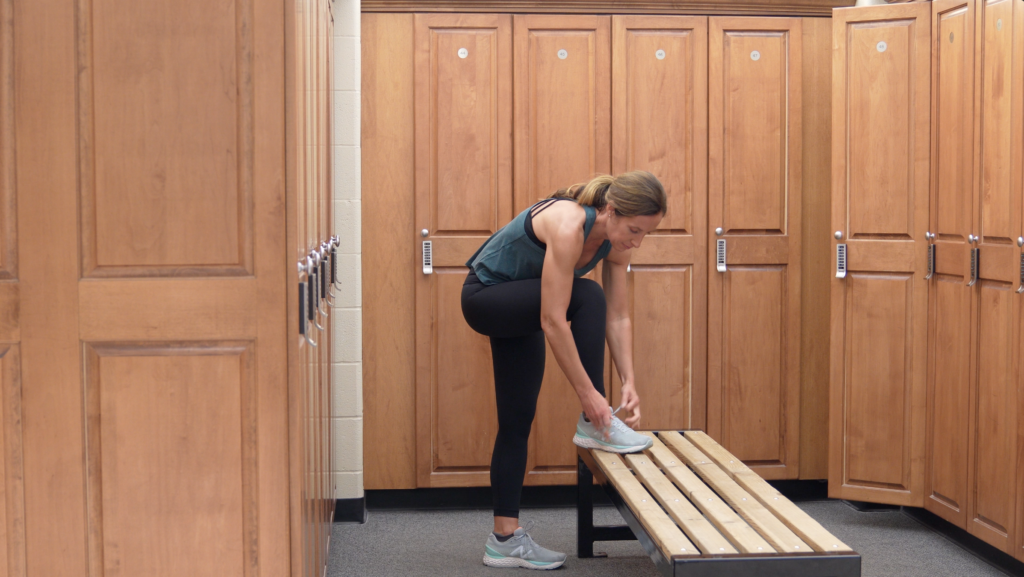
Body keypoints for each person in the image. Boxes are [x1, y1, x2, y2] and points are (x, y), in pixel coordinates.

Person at [461, 171, 667, 570]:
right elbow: (554, 319)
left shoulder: (615, 240)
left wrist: (630, 381)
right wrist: (590, 397)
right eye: (634, 230)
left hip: (523, 302)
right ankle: (596, 423)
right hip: (486, 297)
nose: (637, 242)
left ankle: (503, 540)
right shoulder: (568, 222)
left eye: (647, 234)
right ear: (609, 210)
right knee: (587, 293)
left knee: (517, 420)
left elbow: (618, 317)